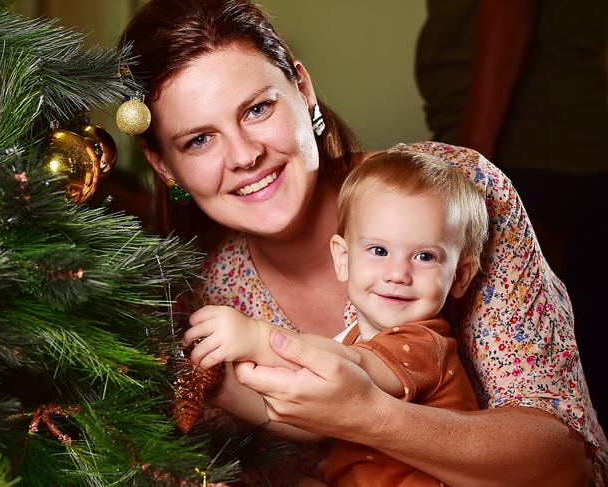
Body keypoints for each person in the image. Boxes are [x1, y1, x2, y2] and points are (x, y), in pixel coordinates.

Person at [121, 0, 607, 485]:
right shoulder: (199, 295)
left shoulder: (451, 195)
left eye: (257, 108)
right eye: (199, 140)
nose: (246, 155)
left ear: (303, 89)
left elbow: (566, 467)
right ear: (164, 165)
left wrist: (370, 417)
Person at [184, 150, 488, 486]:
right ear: (343, 259)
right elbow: (308, 420)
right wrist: (227, 394)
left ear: (460, 276)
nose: (398, 273)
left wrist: (255, 337)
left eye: (425, 256)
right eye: (379, 251)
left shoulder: (423, 345)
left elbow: (347, 366)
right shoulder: (354, 337)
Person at [415, 0, 608, 428]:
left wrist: (471, 159)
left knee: (562, 360)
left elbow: (508, 10)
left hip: (531, 153)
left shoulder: (485, 173)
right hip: (538, 148)